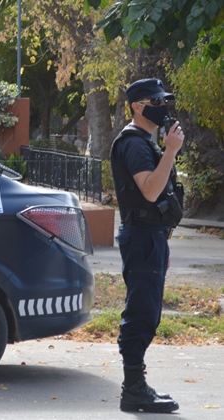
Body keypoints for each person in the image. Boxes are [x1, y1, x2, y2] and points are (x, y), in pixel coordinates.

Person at [110, 78, 184, 413]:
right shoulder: (135, 144)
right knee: (141, 313)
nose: (162, 106)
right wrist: (170, 150)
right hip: (142, 237)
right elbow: (151, 192)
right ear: (138, 105)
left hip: (150, 238)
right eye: (156, 100)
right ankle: (133, 389)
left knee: (148, 312)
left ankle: (136, 385)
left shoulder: (143, 142)